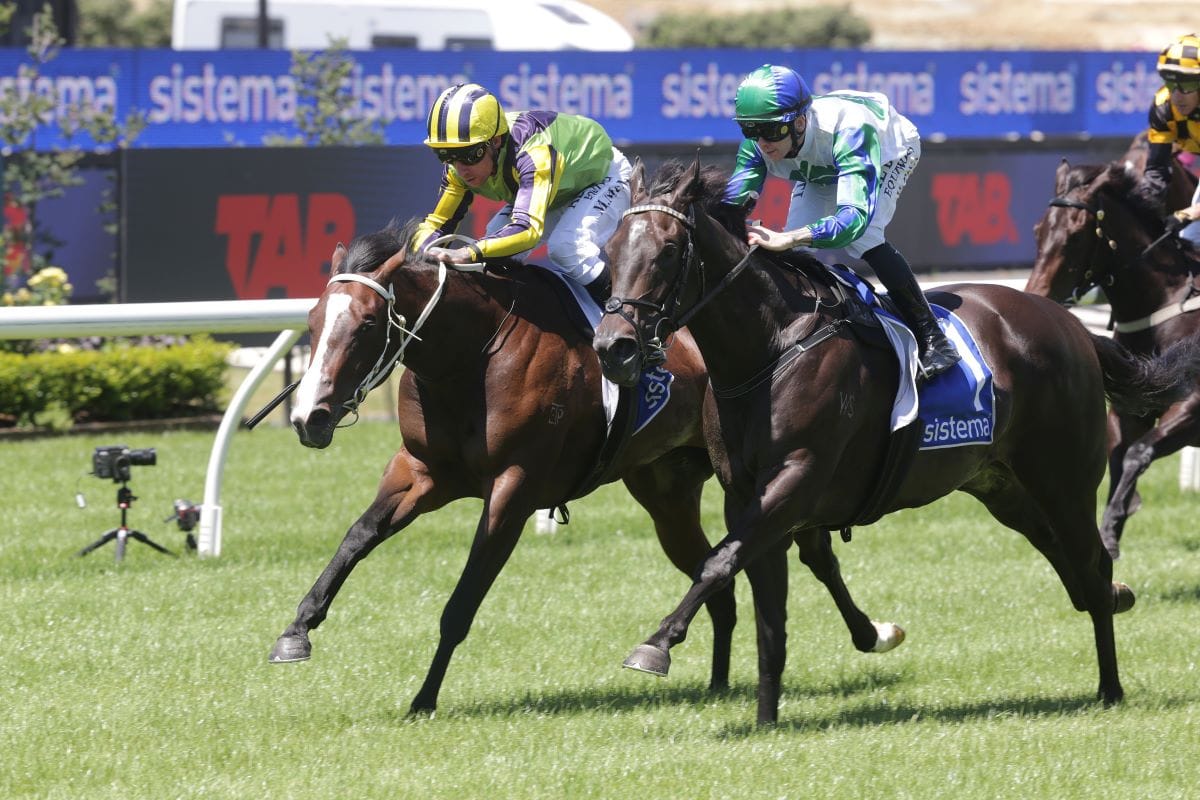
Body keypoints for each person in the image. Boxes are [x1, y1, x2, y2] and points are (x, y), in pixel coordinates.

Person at [719, 64, 960, 379]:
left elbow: (853, 220)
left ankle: (932, 338)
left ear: (800, 123)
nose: (762, 142)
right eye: (751, 130)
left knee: (864, 236)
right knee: (788, 252)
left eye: (772, 131)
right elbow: (730, 204)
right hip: (822, 164)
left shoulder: (850, 130)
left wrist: (791, 237)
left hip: (888, 151)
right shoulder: (760, 142)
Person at [413, 82, 631, 305]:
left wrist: (469, 252)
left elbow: (528, 230)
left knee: (566, 247)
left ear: (495, 142)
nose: (460, 168)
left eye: (469, 154)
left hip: (602, 176)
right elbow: (438, 223)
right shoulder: (457, 170)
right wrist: (414, 257)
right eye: (446, 155)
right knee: (494, 239)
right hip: (556, 190)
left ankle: (635, 319)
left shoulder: (533, 153)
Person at [1141, 33, 1200, 246]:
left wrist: (1190, 212)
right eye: (1171, 83)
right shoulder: (1163, 107)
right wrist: (1144, 207)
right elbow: (1157, 170)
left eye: (1187, 84)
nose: (1177, 95)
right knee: (1192, 241)